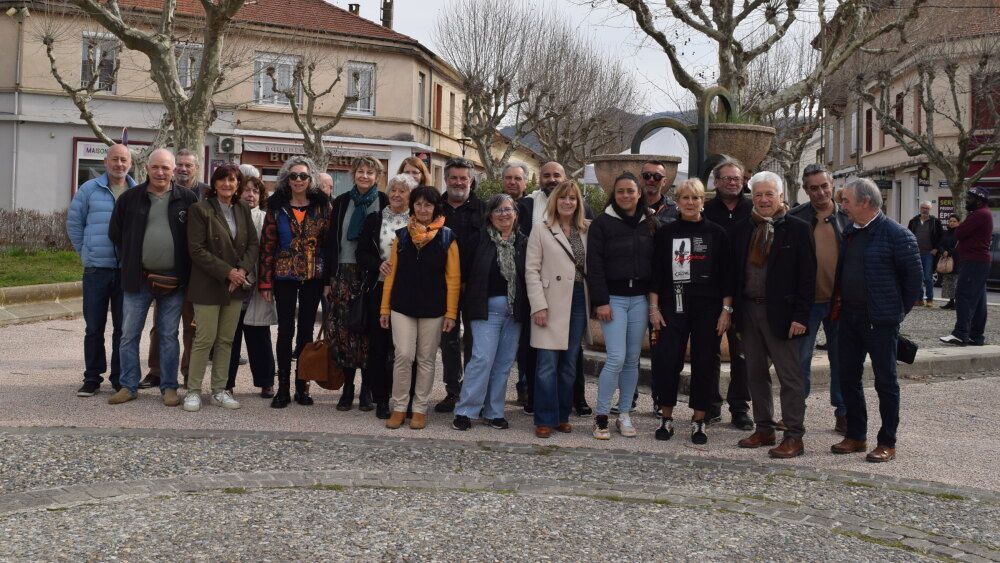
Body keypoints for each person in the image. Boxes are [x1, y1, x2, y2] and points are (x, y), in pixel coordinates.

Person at [832, 178, 921, 463]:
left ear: (865, 202)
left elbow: (913, 283)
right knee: (848, 378)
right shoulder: (850, 231)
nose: (842, 205)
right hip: (849, 319)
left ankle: (887, 442)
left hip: (880, 322)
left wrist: (893, 314)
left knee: (886, 382)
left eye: (846, 200)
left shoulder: (898, 234)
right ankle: (856, 435)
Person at [731, 172, 816, 458]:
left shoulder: (798, 228)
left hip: (782, 314)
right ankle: (764, 428)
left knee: (789, 377)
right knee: (754, 374)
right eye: (758, 195)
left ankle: (794, 435)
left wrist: (801, 317)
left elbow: (808, 277)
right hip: (749, 310)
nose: (764, 200)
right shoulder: (744, 228)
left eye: (769, 194)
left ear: (780, 196)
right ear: (751, 197)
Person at [106, 148, 199, 406]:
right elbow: (116, 233)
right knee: (128, 334)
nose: (160, 172)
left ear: (173, 171)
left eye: (166, 168)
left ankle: (169, 387)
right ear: (146, 168)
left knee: (169, 335)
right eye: (156, 167)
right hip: (138, 278)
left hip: (174, 280)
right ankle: (128, 385)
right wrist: (134, 253)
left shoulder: (187, 199)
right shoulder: (130, 198)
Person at [648, 178, 733, 444]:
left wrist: (726, 311)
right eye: (685, 198)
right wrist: (654, 308)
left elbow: (727, 277)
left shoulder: (717, 234)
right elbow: (655, 274)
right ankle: (666, 416)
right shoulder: (665, 233)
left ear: (702, 201)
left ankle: (699, 419)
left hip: (708, 307)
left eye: (695, 198)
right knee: (667, 360)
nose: (690, 202)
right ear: (678, 201)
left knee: (705, 362)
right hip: (673, 305)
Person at [380, 186, 460, 430]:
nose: (423, 209)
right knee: (403, 355)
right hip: (402, 305)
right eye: (418, 204)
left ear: (435, 208)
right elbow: (391, 275)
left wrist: (451, 313)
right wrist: (385, 308)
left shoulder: (447, 237)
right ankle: (400, 406)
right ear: (412, 206)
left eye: (428, 205)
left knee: (426, 359)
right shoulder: (402, 235)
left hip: (434, 308)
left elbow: (453, 279)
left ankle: (419, 408)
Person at [517, 161, 593, 417]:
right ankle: (544, 417)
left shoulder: (587, 230)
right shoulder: (541, 229)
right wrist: (538, 305)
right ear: (555, 202)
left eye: (572, 198)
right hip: (549, 301)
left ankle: (562, 414)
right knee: (546, 364)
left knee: (570, 362)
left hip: (579, 300)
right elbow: (531, 270)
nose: (568, 202)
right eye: (563, 198)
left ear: (578, 202)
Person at [182, 164, 259, 412]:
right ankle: (193, 391)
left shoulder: (243, 209)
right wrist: (228, 272)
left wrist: (242, 272)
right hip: (208, 284)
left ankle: (219, 390)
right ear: (214, 184)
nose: (228, 184)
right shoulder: (200, 209)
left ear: (238, 184)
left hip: (235, 287)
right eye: (223, 180)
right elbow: (196, 249)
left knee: (226, 340)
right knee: (204, 339)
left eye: (233, 180)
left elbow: (253, 246)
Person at [587, 172, 656, 440]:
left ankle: (624, 413)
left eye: (630, 191)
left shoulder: (650, 222)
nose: (626, 195)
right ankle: (602, 414)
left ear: (640, 193)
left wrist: (653, 303)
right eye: (620, 191)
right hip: (612, 300)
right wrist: (601, 301)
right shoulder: (602, 224)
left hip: (639, 299)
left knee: (632, 360)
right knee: (615, 358)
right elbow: (595, 265)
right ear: (613, 194)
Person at [258, 156, 331, 408]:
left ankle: (303, 387)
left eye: (303, 176)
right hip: (283, 275)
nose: (298, 180)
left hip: (314, 276)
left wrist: (329, 280)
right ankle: (283, 389)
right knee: (285, 331)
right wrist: (265, 283)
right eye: (293, 176)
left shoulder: (322, 206)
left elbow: (328, 245)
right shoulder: (276, 207)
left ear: (311, 179)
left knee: (306, 332)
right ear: (286, 179)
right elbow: (267, 246)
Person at [452, 194, 529, 431]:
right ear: (490, 216)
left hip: (514, 311)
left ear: (516, 214)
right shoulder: (478, 240)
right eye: (498, 210)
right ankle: (466, 410)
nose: (504, 214)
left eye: (508, 209)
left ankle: (494, 411)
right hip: (485, 310)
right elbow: (464, 274)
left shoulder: (524, 243)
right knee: (482, 359)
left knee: (504, 363)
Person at [67, 143, 136, 397]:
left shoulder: (137, 191)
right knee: (94, 327)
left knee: (123, 329)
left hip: (126, 272)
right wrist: (85, 253)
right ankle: (92, 378)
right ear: (105, 162)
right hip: (97, 270)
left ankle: (119, 379)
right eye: (115, 159)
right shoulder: (89, 189)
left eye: (124, 160)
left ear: (130, 164)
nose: (119, 164)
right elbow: (74, 223)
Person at [324, 156, 390, 411]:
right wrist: (329, 278)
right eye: (360, 171)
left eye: (369, 172)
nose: (364, 176)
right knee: (345, 332)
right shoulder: (341, 202)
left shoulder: (383, 202)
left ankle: (367, 390)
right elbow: (332, 242)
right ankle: (348, 388)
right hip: (343, 272)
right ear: (353, 174)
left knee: (369, 333)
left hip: (372, 274)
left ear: (377, 176)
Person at [789, 163, 850, 434]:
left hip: (842, 302)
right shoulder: (796, 218)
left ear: (832, 185)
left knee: (843, 359)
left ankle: (844, 412)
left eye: (824, 186)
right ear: (805, 190)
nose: (820, 192)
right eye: (813, 188)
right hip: (807, 303)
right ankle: (796, 412)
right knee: (800, 359)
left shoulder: (849, 215)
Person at [139, 148, 205, 390]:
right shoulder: (167, 193)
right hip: (165, 274)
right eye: (180, 165)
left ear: (196, 168)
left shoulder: (204, 194)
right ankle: (156, 371)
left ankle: (189, 372)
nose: (184, 169)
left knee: (192, 326)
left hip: (194, 273)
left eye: (189, 165)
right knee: (161, 326)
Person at [357, 173, 418, 419]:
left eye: (402, 191)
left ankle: (407, 399)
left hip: (408, 292)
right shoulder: (374, 219)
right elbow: (361, 253)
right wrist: (377, 264)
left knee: (406, 350)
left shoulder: (417, 222)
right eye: (393, 190)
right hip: (379, 290)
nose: (396, 195)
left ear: (411, 196)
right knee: (379, 347)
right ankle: (381, 399)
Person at [701, 158, 754, 430]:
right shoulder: (705, 210)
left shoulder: (754, 209)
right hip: (712, 292)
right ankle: (710, 404)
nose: (733, 182)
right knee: (709, 351)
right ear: (716, 182)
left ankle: (740, 407)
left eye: (737, 178)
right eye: (727, 178)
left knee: (741, 354)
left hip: (745, 292)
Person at [435, 157, 484, 413]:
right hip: (442, 287)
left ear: (471, 180)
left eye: (463, 178)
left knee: (475, 342)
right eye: (453, 177)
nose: (458, 182)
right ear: (446, 179)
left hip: (475, 287)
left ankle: (473, 393)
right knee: (448, 341)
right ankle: (452, 391)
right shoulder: (434, 208)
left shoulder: (483, 209)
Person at [226, 176, 277, 397]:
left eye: (256, 191)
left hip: (257, 287)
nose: (251, 195)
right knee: (229, 337)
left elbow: (269, 253)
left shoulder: (266, 218)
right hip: (231, 284)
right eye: (246, 190)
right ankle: (226, 382)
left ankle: (266, 381)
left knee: (259, 336)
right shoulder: (229, 215)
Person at [940, 187, 994, 346]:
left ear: (979, 200)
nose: (966, 201)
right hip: (978, 261)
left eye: (970, 198)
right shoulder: (983, 213)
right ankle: (976, 336)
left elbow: (959, 232)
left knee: (963, 296)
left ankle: (960, 333)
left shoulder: (979, 214)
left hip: (974, 262)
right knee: (978, 301)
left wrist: (962, 227)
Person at [907, 201, 942, 307]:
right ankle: (919, 299)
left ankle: (930, 299)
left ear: (930, 209)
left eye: (927, 208)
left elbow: (941, 236)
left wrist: (936, 248)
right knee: (918, 277)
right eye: (923, 208)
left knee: (928, 277)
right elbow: (908, 235)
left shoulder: (935, 222)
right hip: (915, 253)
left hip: (929, 253)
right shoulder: (913, 221)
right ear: (920, 208)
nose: (924, 210)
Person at [642, 160, 678, 224]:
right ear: (640, 178)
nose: (651, 179)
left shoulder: (674, 209)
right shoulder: (631, 206)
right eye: (647, 175)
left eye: (657, 176)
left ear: (664, 182)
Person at [938, 214, 961, 310]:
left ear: (958, 222)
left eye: (954, 221)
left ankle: (957, 303)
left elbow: (960, 246)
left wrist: (949, 252)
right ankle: (951, 302)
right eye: (950, 221)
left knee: (955, 282)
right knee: (948, 282)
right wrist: (943, 251)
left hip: (957, 259)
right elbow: (940, 244)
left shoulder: (960, 233)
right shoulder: (946, 232)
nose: (951, 223)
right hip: (946, 259)